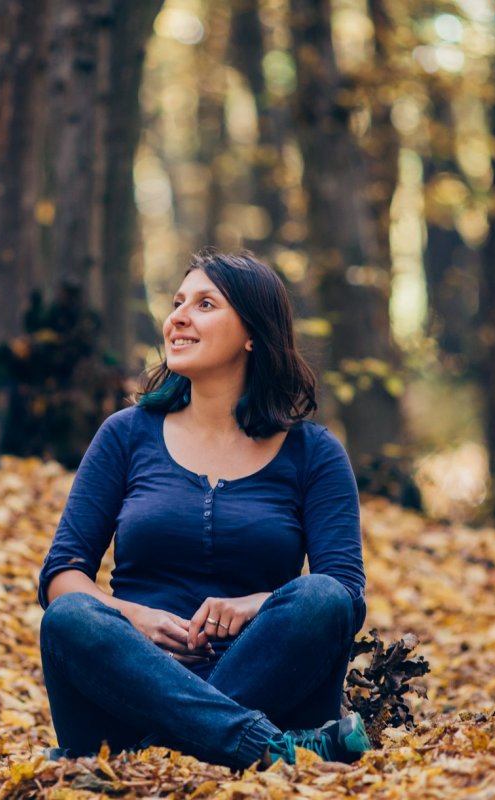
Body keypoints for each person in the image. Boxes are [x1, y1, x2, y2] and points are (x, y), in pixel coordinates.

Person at [37, 251, 371, 769]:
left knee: (322, 598)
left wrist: (258, 604)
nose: (179, 317)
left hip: (265, 686)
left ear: (253, 334)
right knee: (70, 617)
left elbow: (345, 594)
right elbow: (62, 574)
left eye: (205, 304)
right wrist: (135, 619)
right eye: (177, 304)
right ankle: (265, 750)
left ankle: (160, 755)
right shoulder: (126, 435)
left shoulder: (314, 453)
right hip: (128, 689)